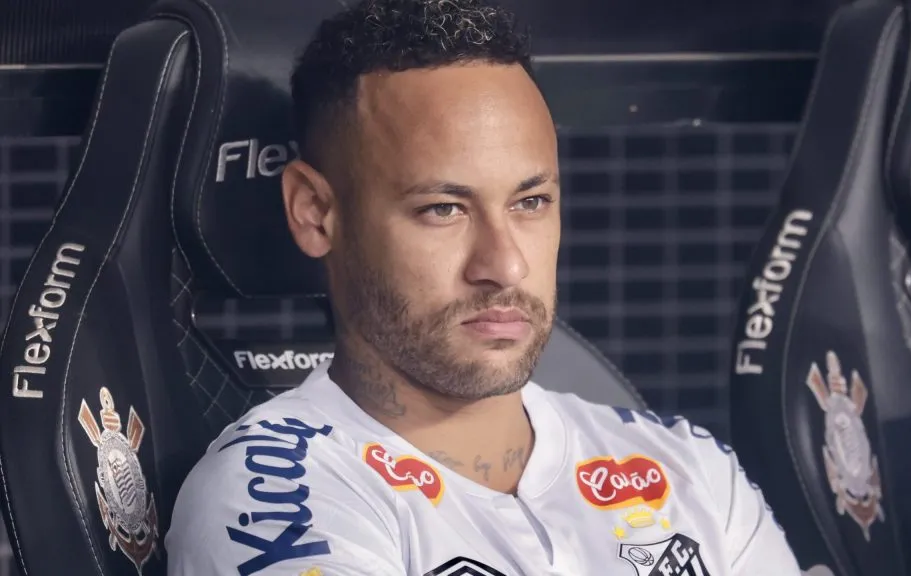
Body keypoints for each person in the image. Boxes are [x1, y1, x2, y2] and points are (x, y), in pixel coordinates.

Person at [166, 0, 803, 574]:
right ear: (315, 212)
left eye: (531, 202)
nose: (506, 265)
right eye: (444, 208)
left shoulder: (688, 472)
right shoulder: (274, 500)